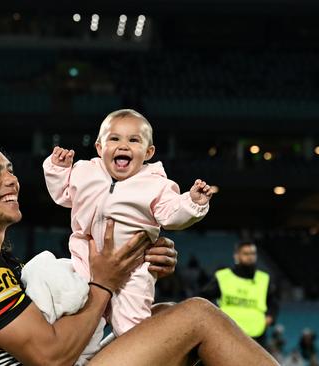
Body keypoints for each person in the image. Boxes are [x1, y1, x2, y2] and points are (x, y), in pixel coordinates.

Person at [0, 130, 279, 366]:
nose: (12, 180)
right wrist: (104, 283)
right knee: (198, 316)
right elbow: (50, 356)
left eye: (10, 171)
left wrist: (136, 262)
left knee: (166, 316)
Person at [43, 108, 213, 336]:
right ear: (100, 147)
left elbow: (171, 214)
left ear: (149, 152)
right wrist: (58, 169)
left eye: (134, 140)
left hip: (133, 268)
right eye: (114, 138)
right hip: (84, 258)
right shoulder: (84, 171)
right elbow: (63, 194)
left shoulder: (156, 185)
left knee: (132, 328)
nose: (123, 146)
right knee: (77, 318)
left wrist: (193, 202)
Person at [202, 241, 279, 347]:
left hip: (257, 335)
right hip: (228, 333)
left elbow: (273, 303)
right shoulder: (223, 277)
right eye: (246, 254)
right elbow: (202, 297)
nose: (250, 257)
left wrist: (269, 318)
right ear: (236, 256)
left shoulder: (264, 279)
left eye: (253, 254)